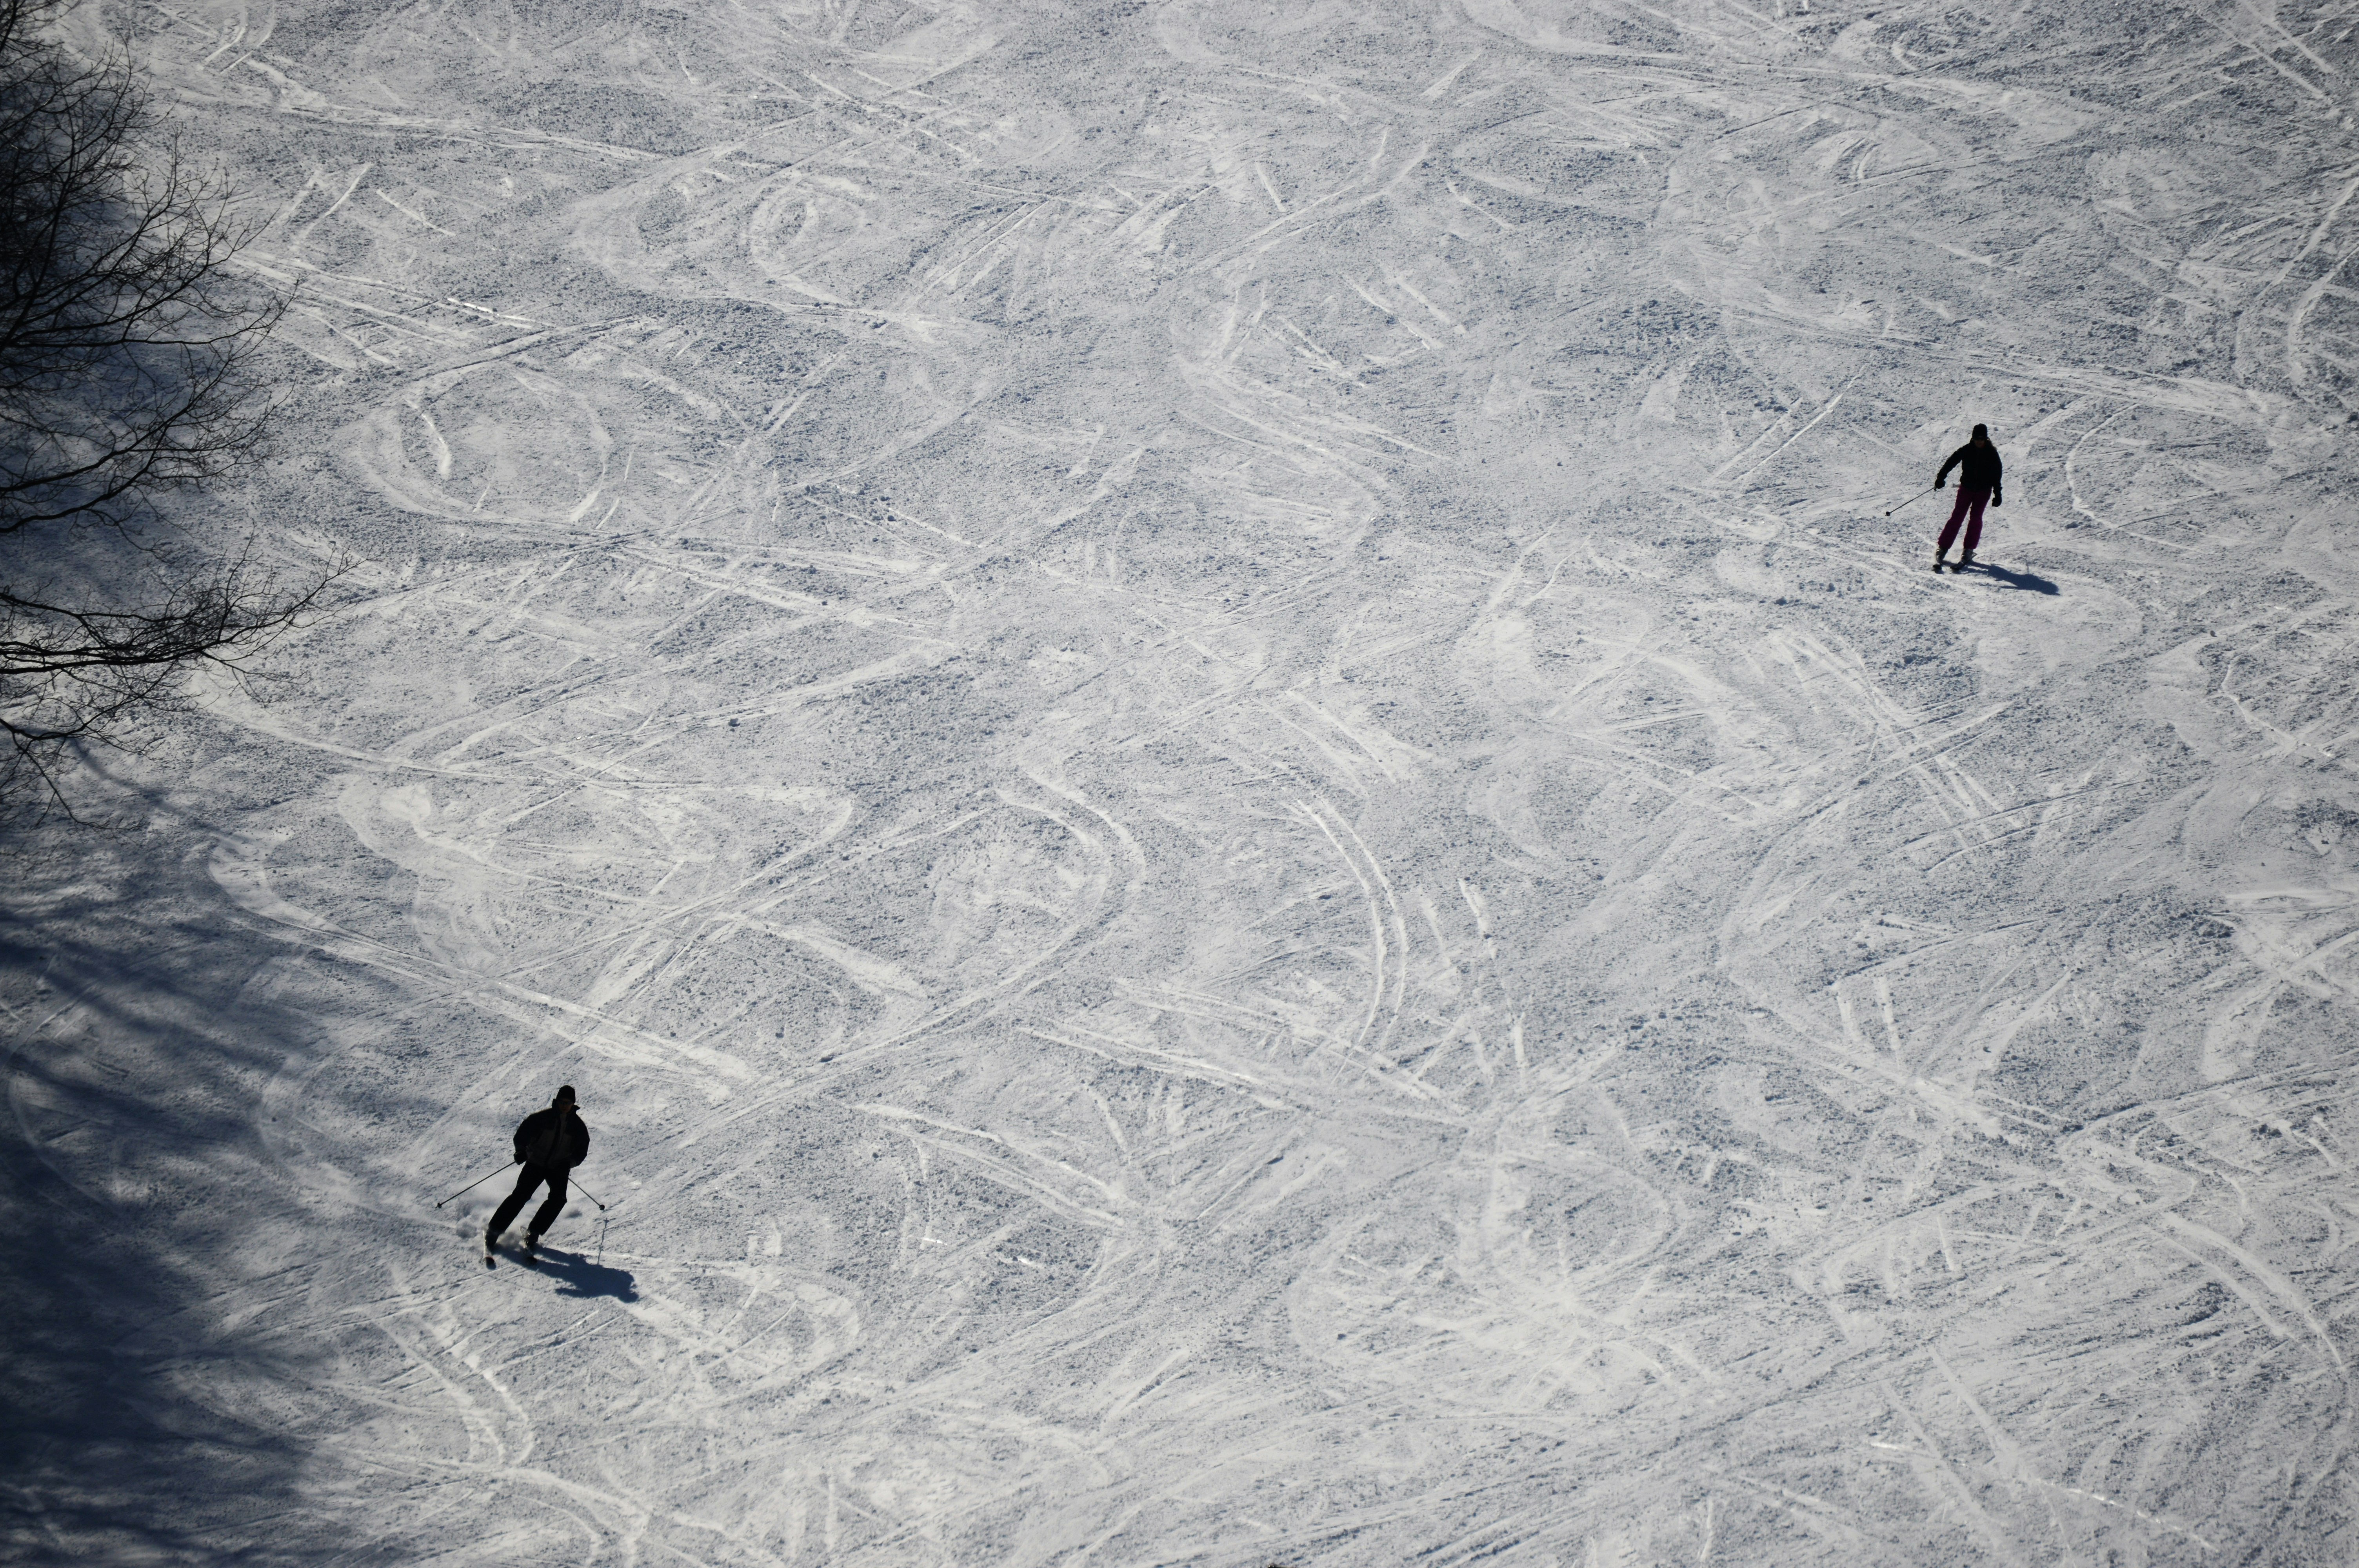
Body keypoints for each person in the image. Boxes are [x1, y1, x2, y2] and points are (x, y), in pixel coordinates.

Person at [485, 1085, 589, 1254]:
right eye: (562, 1102)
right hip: (536, 1162)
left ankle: (533, 1232)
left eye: (568, 1102)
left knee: (559, 1199)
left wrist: (569, 1163)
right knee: (521, 1195)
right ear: (556, 1101)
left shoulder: (578, 1127)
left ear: (574, 1104)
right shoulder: (542, 1118)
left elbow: (581, 1151)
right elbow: (522, 1135)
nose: (565, 1105)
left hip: (558, 1167)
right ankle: (494, 1230)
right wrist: (520, 1151)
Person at [1932, 424, 2003, 572]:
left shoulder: (1991, 453)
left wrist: (1998, 494)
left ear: (1986, 438)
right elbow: (1951, 462)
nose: (1979, 441)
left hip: (1983, 491)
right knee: (1957, 517)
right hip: (1966, 489)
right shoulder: (1967, 450)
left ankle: (1969, 549)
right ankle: (1943, 547)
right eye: (1977, 438)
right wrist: (1941, 478)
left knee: (1976, 519)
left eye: (1982, 438)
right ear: (1973, 438)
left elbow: (1997, 475)